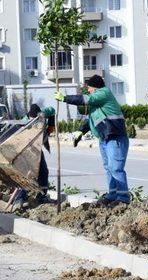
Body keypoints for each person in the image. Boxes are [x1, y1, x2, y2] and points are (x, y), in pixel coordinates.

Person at [55, 75, 130, 204]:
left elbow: (85, 99)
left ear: (95, 88)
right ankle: (112, 195)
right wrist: (81, 131)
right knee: (108, 168)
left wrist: (65, 98)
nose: (88, 90)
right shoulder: (98, 102)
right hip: (105, 139)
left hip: (115, 138)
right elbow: (91, 118)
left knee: (115, 168)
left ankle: (123, 198)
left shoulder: (104, 93)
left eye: (89, 88)